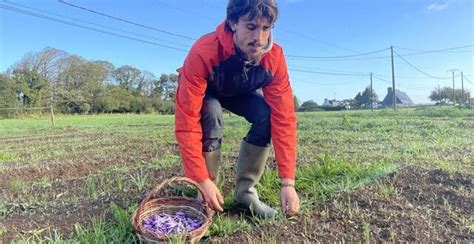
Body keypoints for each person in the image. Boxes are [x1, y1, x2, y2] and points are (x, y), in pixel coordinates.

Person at [175, 0, 299, 218]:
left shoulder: (274, 58)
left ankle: (245, 193)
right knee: (212, 114)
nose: (259, 38)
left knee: (267, 115)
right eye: (251, 27)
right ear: (233, 22)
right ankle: (206, 194)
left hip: (240, 92)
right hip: (209, 91)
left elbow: (284, 117)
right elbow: (187, 122)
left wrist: (288, 182)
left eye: (266, 28)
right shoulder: (204, 51)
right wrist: (200, 179)